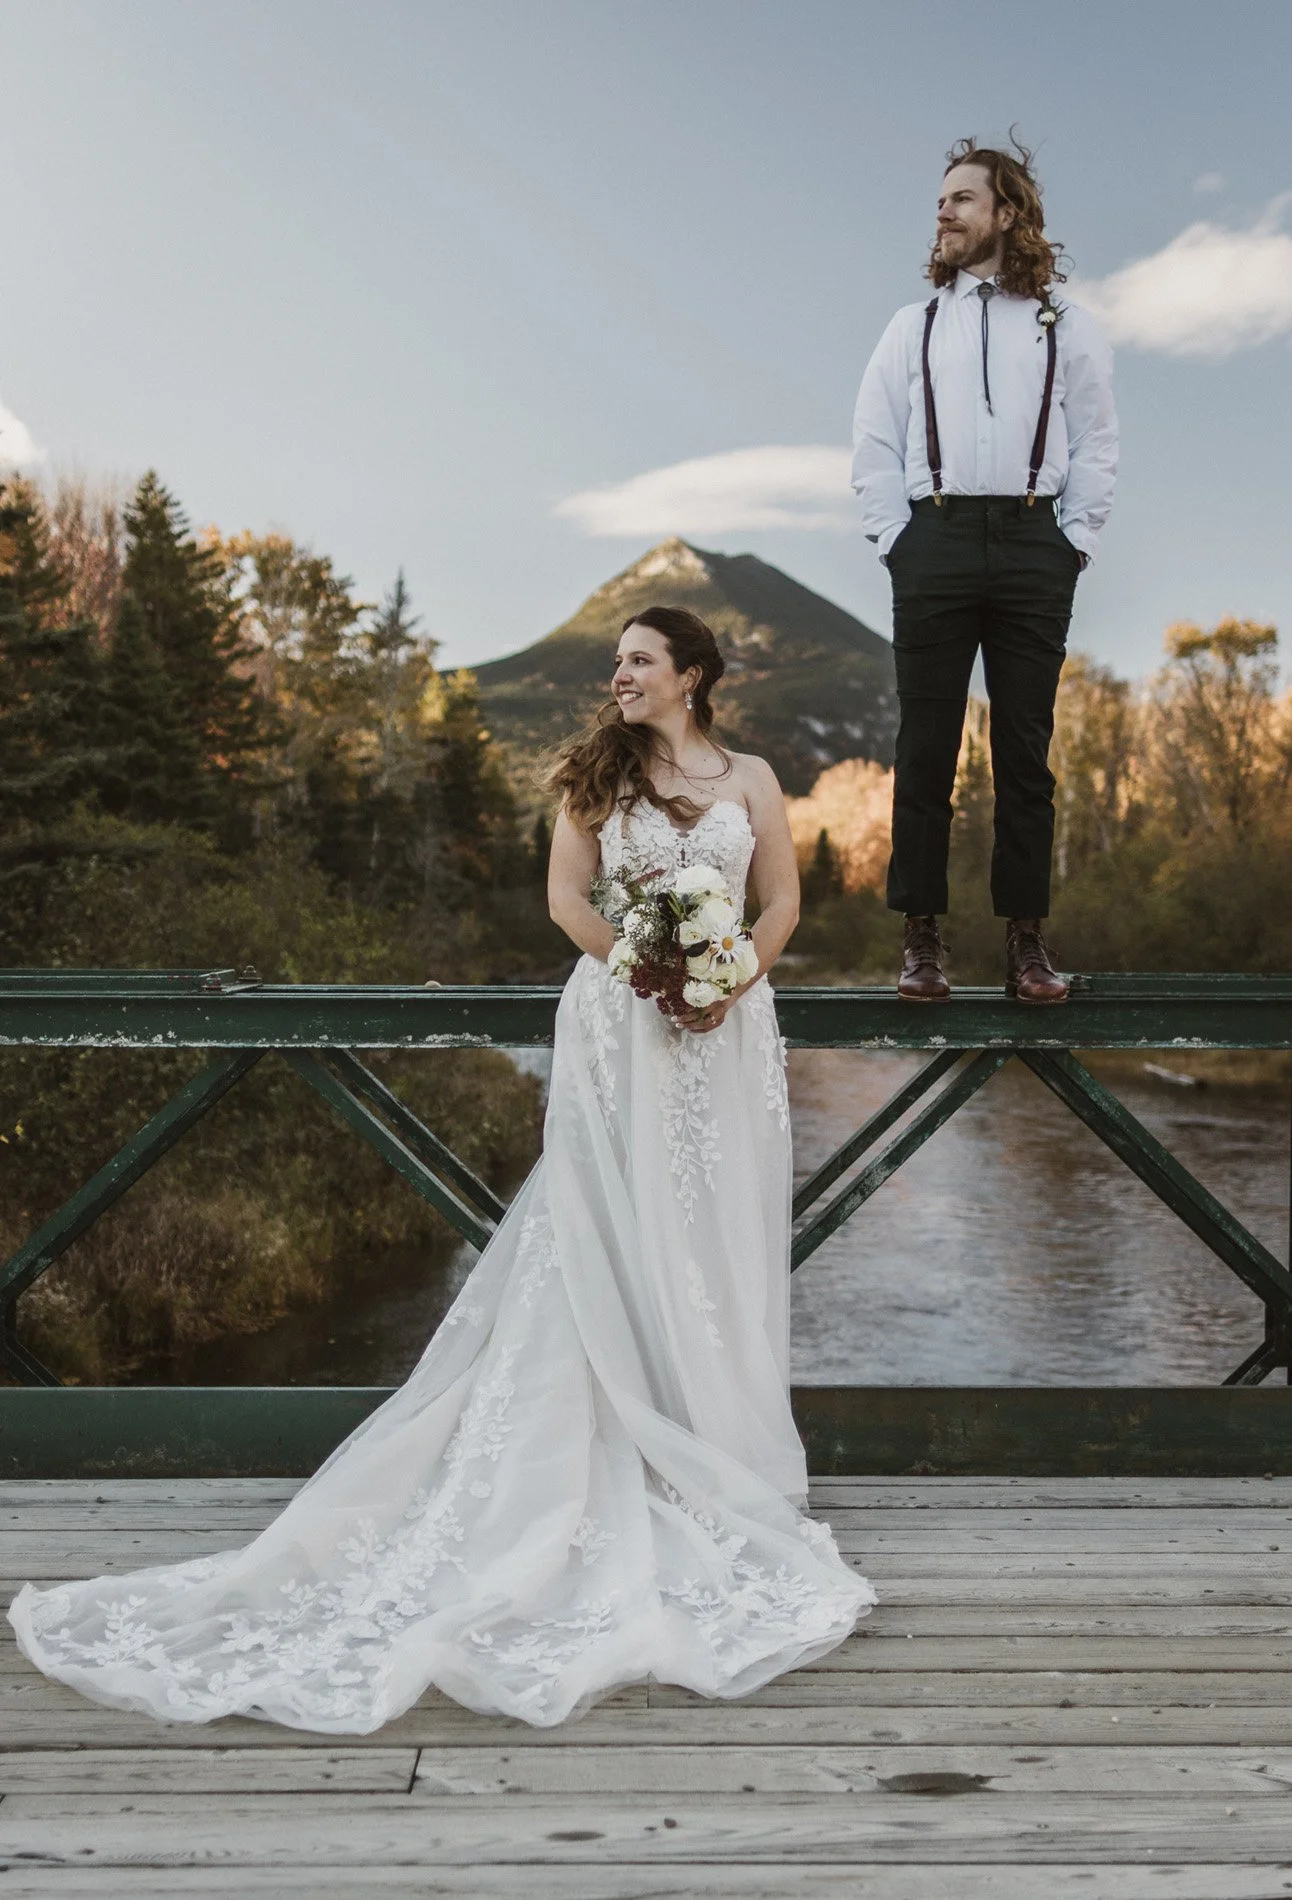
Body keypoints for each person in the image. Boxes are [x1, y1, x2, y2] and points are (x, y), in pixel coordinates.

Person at [7, 604, 874, 1733]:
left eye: (639, 661)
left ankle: (710, 1443)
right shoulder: (593, 778)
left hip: (725, 1036)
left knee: (710, 1230)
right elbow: (565, 899)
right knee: (604, 1228)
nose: (618, 675)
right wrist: (649, 971)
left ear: (694, 675)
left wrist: (726, 982)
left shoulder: (755, 776)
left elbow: (782, 902)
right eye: (614, 661)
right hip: (621, 1025)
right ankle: (600, 1438)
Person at [852, 136, 1118, 1003]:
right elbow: (875, 440)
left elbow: (1099, 439)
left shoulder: (1069, 323)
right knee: (925, 746)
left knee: (1025, 753)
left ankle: (1026, 943)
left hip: (1036, 543)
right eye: (941, 200)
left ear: (1007, 214)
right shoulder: (912, 325)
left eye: (962, 199)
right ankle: (921, 938)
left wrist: (1072, 543)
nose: (943, 212)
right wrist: (897, 538)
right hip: (932, 540)